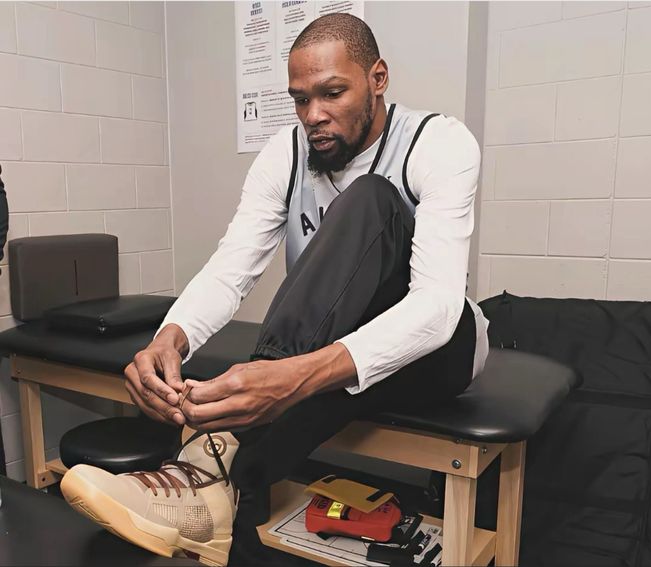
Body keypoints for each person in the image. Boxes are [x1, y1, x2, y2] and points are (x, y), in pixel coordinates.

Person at [60, 13, 489, 567]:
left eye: (332, 93)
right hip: (343, 345)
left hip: (440, 352)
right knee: (290, 389)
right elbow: (231, 266)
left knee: (370, 198)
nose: (314, 115)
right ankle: (218, 495)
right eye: (300, 100)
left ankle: (205, 470)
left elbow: (436, 308)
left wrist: (288, 375)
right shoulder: (285, 154)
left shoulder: (439, 142)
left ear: (378, 79)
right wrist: (171, 336)